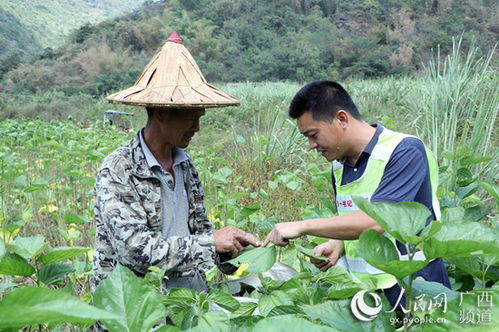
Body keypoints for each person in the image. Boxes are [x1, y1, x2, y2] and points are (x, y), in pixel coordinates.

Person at [92, 32, 259, 296]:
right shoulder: (119, 169)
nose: (198, 127)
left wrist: (234, 248)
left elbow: (199, 233)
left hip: (186, 301)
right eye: (191, 118)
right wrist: (211, 242)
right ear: (161, 112)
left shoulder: (185, 165)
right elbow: (135, 250)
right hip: (138, 310)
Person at [263, 80, 450, 308]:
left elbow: (376, 220)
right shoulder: (339, 165)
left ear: (341, 119)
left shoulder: (403, 151)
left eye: (313, 134)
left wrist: (302, 226)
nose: (311, 145)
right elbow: (352, 217)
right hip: (368, 294)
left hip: (415, 289)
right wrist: (337, 243)